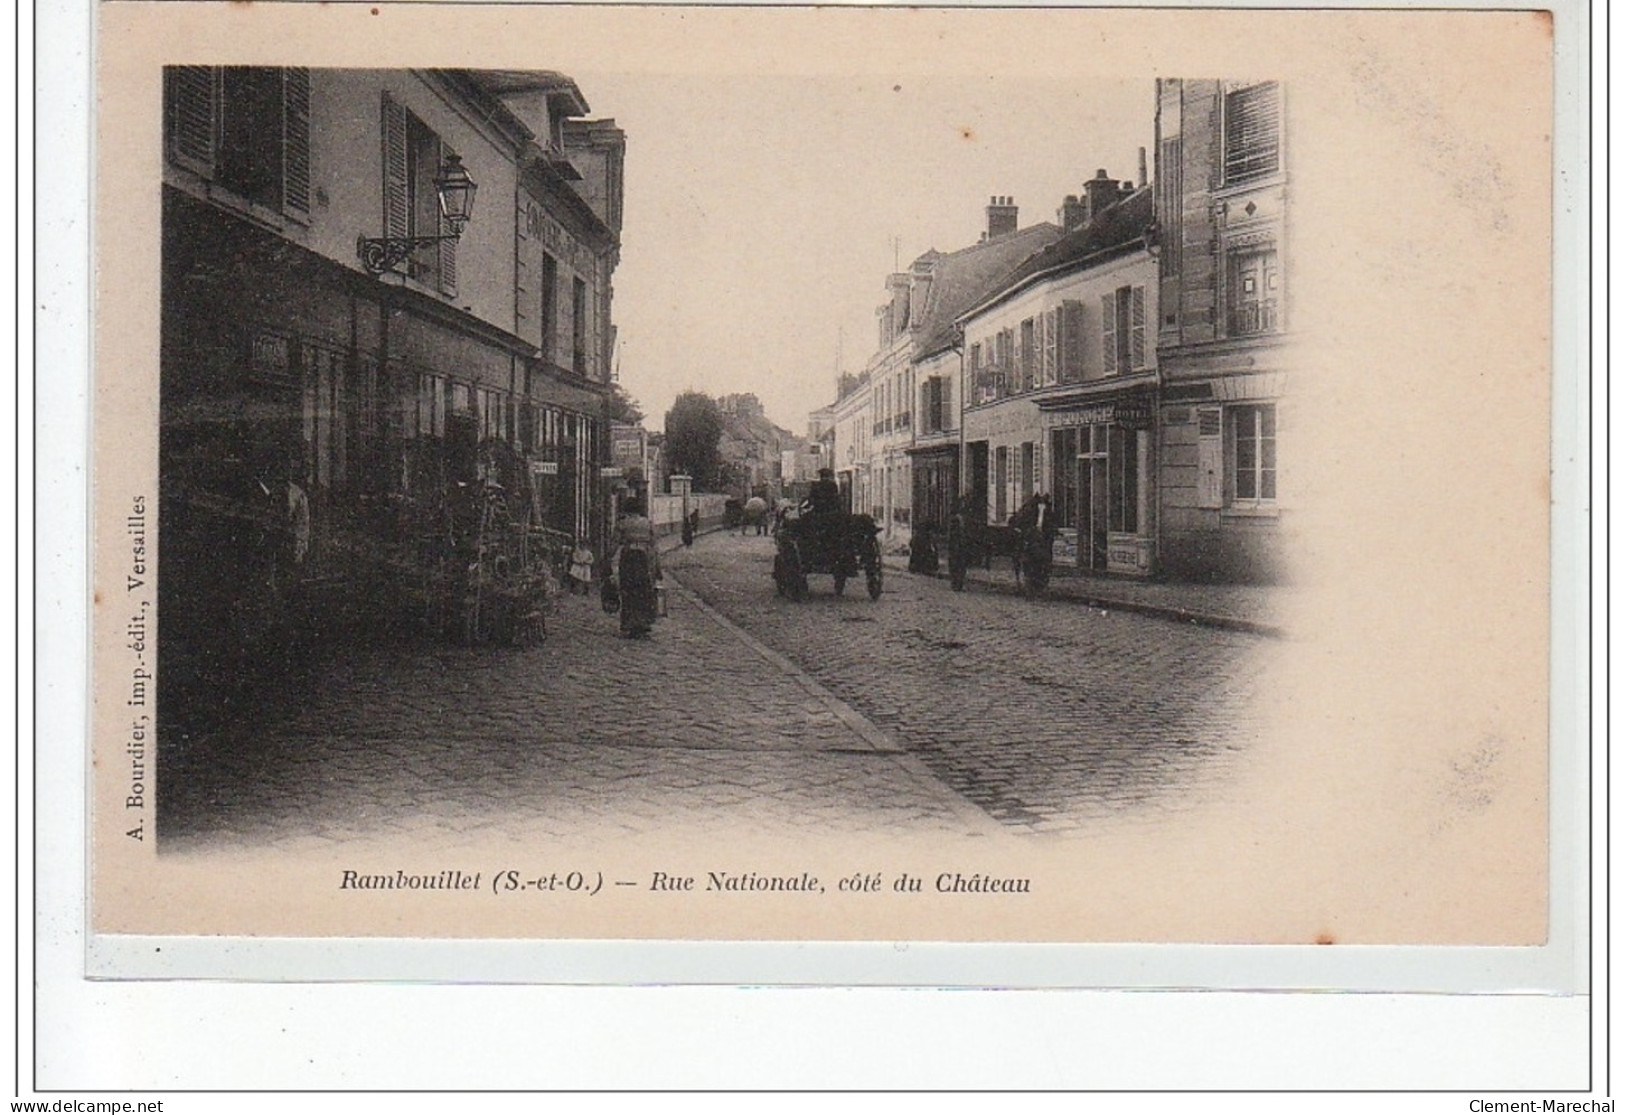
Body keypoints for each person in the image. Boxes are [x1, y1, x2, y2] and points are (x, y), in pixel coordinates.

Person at [611, 496, 662, 638]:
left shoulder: (622, 524)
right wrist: (658, 568)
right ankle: (644, 624)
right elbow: (655, 547)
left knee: (628, 590)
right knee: (644, 591)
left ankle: (630, 623)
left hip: (628, 559)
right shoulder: (648, 524)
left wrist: (607, 560)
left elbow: (614, 545)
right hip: (645, 559)